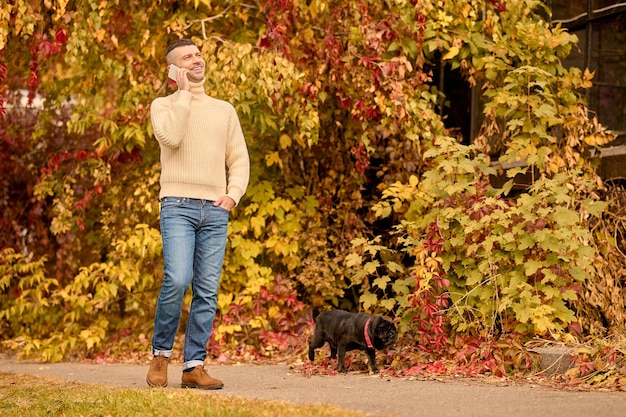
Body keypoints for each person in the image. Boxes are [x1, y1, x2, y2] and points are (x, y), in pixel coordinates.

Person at [146, 39, 250, 389]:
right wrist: (185, 95)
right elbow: (172, 139)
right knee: (176, 279)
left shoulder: (224, 110)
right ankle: (161, 355)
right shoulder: (162, 106)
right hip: (176, 205)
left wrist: (233, 195)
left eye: (197, 55)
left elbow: (238, 158)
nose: (196, 59)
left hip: (214, 211)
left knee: (207, 290)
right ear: (174, 70)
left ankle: (193, 366)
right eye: (187, 57)